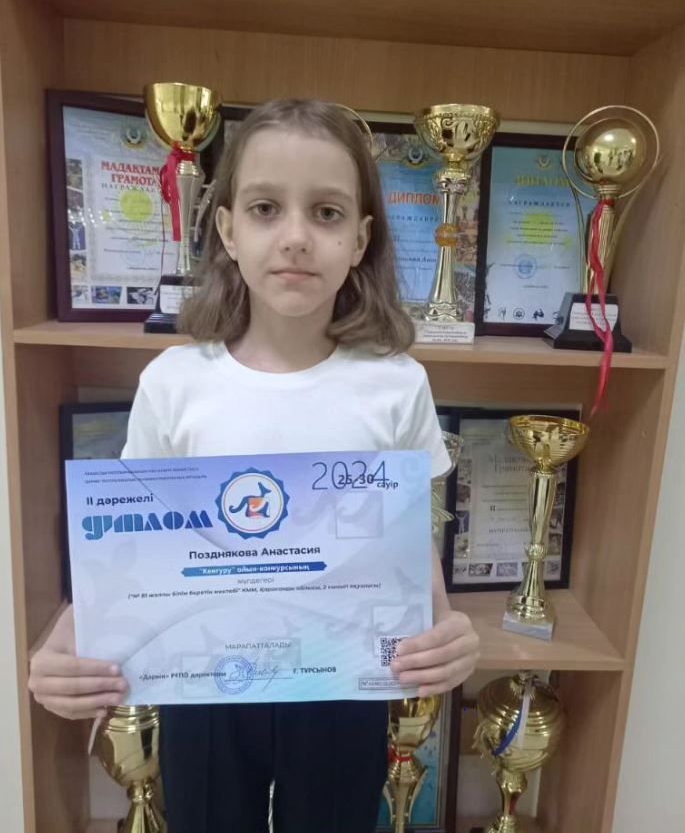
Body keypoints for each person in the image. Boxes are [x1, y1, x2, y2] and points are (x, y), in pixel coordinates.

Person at [29, 99, 480, 833]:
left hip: (340, 683)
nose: (296, 236)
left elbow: (407, 540)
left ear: (360, 239)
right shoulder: (174, 383)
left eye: (327, 213)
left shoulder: (396, 384)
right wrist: (67, 637)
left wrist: (445, 626)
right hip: (204, 684)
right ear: (228, 230)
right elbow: (137, 544)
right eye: (266, 208)